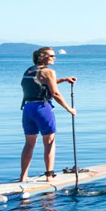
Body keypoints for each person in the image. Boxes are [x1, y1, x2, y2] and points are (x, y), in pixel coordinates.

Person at [20, 47, 77, 183]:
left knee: (29, 144)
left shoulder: (29, 70)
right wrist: (69, 109)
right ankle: (49, 176)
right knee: (49, 142)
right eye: (51, 56)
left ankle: (23, 177)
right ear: (42, 57)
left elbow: (40, 83)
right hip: (42, 109)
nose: (54, 58)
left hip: (27, 108)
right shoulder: (49, 71)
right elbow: (55, 93)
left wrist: (62, 80)